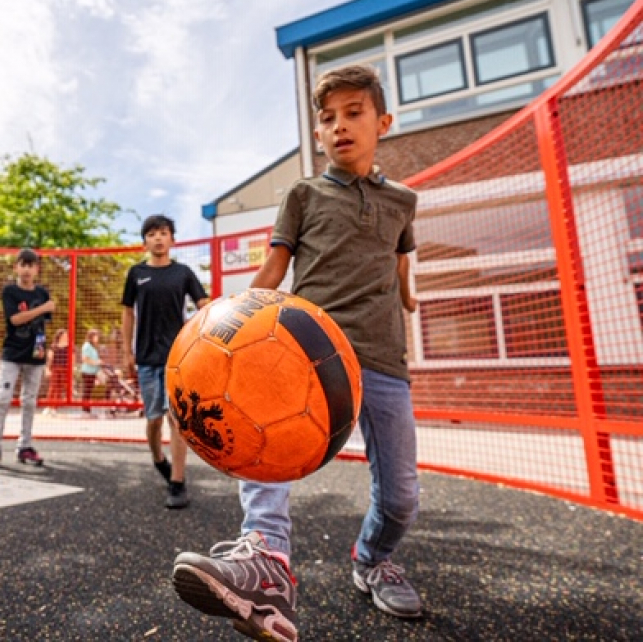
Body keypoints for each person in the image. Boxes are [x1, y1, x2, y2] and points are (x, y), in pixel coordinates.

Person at [171, 65, 422, 641]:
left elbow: (400, 256)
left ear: (382, 122)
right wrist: (229, 316)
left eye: (354, 112)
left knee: (403, 496)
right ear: (318, 133)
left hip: (383, 360)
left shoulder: (403, 202)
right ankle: (266, 561)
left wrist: (407, 296)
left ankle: (373, 559)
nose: (339, 126)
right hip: (304, 353)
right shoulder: (303, 194)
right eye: (327, 118)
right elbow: (275, 270)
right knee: (261, 441)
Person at [122, 214, 210, 509]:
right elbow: (127, 313)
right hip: (146, 358)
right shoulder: (136, 274)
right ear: (144, 241)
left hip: (178, 358)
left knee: (177, 420)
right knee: (153, 420)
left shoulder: (183, 273)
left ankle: (177, 482)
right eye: (152, 233)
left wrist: (224, 310)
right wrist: (126, 351)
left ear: (172, 239)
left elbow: (204, 305)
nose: (158, 238)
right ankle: (158, 457)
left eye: (163, 233)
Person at [0, 248, 55, 468]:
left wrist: (45, 351)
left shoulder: (42, 293)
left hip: (35, 354)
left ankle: (25, 446)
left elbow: (42, 325)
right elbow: (16, 319)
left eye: (31, 265)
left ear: (37, 269)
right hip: (12, 354)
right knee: (3, 399)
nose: (26, 270)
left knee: (29, 402)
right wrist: (43, 308)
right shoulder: (10, 292)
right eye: (22, 265)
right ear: (16, 267)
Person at [45, 329, 71, 402]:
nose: (66, 337)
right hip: (55, 368)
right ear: (59, 336)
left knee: (61, 387)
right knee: (53, 386)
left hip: (65, 369)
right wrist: (47, 369)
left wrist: (71, 370)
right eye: (64, 335)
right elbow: (50, 359)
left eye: (66, 335)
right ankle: (49, 405)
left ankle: (55, 406)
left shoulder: (70, 346)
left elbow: (73, 359)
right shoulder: (54, 346)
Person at [79, 328, 102, 404]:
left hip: (92, 372)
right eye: (96, 336)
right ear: (91, 337)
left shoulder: (93, 347)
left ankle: (87, 409)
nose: (97, 338)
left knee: (89, 391)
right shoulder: (87, 346)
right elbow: (85, 359)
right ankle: (85, 410)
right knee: (86, 391)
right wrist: (96, 362)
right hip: (87, 372)